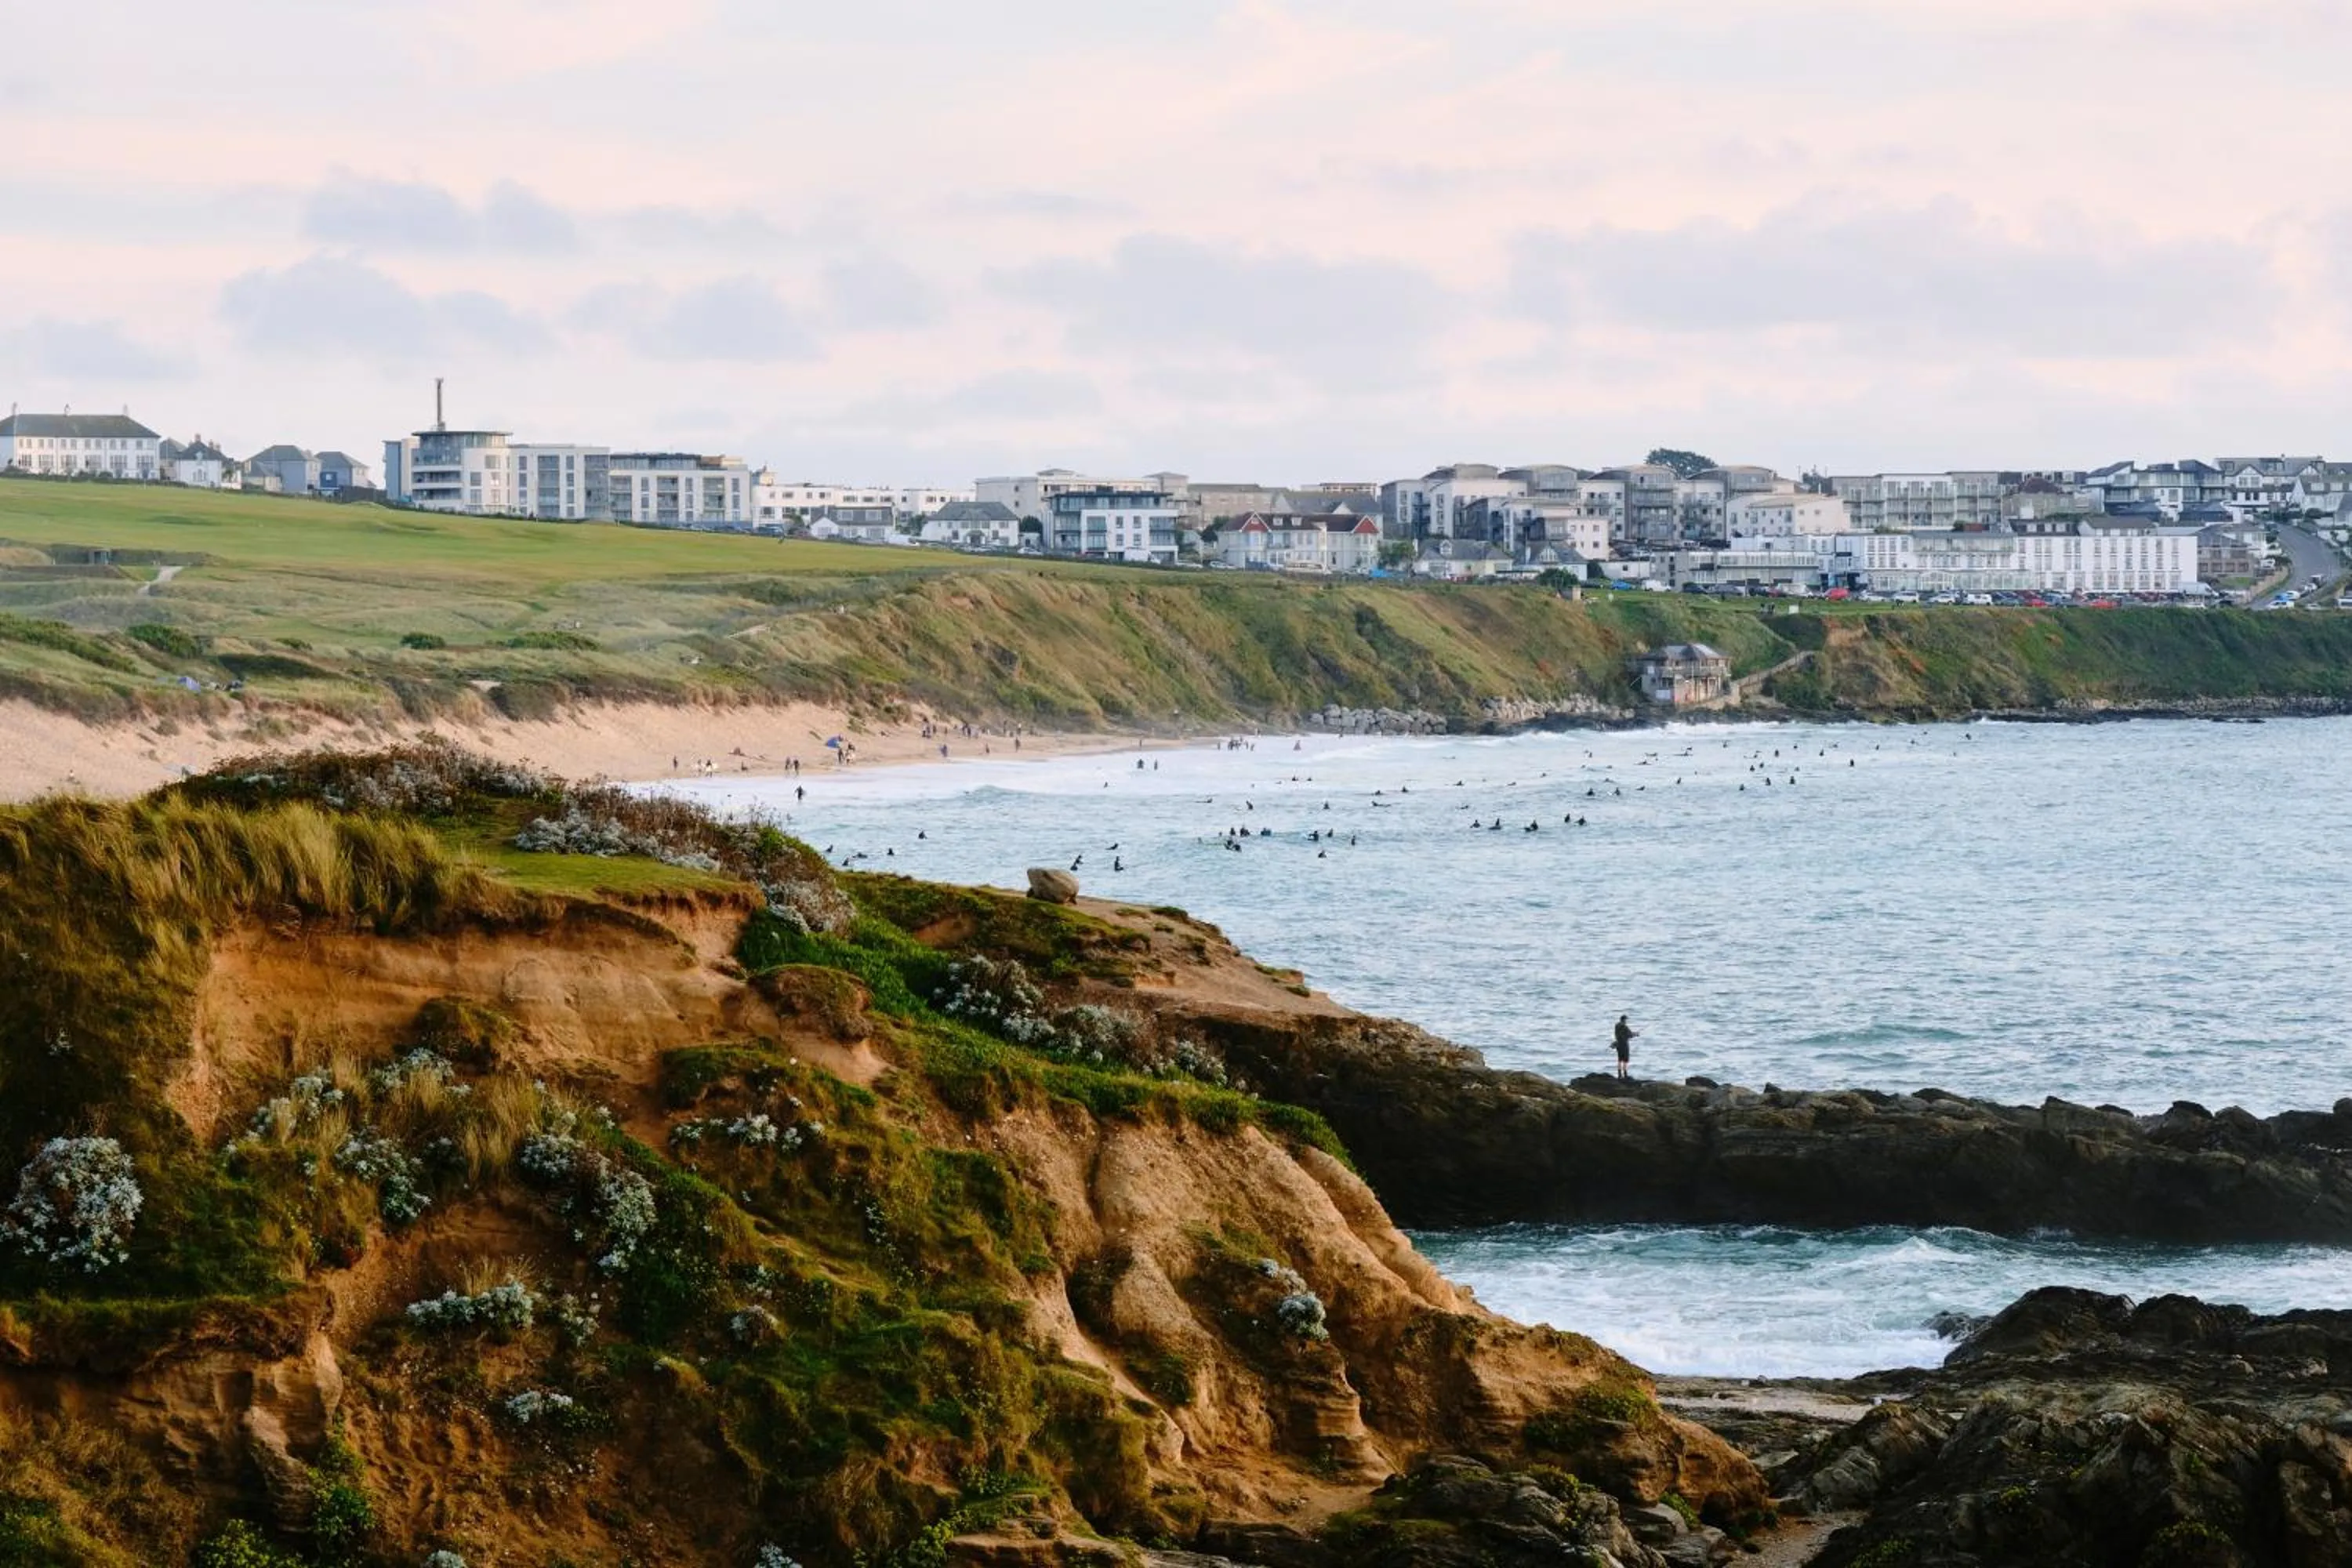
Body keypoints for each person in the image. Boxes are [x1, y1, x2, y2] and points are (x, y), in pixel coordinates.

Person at [1612, 1014, 1639, 1080]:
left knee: (1620, 1059)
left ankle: (1619, 1075)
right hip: (1624, 1045)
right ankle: (1625, 1075)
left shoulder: (1617, 1026)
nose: (1626, 1021)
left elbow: (1621, 1034)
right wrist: (1636, 1034)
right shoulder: (1625, 1027)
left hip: (1618, 1044)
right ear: (1624, 1020)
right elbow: (1630, 1035)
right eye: (1626, 1020)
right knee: (1625, 1060)